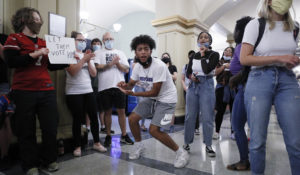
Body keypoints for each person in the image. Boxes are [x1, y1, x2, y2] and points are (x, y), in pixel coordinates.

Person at [3, 7, 67, 175]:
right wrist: (34, 54)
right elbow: (11, 62)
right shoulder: (14, 38)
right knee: (26, 130)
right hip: (23, 90)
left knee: (50, 127)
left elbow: (51, 65)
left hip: (46, 90)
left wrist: (68, 59)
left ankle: (49, 160)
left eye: (40, 19)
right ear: (24, 20)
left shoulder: (44, 42)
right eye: (36, 19)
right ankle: (29, 165)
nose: (40, 22)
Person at [240, 0, 300, 174]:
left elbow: (290, 57)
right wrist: (279, 58)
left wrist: (291, 61)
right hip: (259, 78)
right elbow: (245, 58)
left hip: (287, 79)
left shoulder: (294, 27)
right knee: (257, 141)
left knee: (295, 141)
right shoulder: (255, 24)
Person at [117, 35, 189, 168]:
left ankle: (181, 152)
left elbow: (155, 91)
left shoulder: (159, 66)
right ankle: (139, 146)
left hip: (167, 99)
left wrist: (134, 93)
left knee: (154, 130)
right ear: (136, 52)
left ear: (151, 51)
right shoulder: (138, 67)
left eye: (146, 49)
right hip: (152, 98)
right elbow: (131, 84)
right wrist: (124, 85)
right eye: (140, 49)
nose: (143, 51)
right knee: (132, 119)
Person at [65, 31, 107, 157]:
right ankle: (77, 146)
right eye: (80, 40)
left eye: (84, 40)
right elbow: (73, 71)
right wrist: (84, 59)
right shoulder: (68, 55)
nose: (83, 42)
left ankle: (96, 142)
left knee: (94, 117)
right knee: (77, 119)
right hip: (73, 92)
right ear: (73, 41)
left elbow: (93, 74)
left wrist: (88, 61)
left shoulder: (86, 55)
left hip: (88, 90)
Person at [94, 32, 134, 147]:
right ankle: (108, 135)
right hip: (104, 87)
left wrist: (117, 64)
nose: (109, 41)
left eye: (111, 39)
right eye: (106, 39)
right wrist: (110, 64)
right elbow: (97, 67)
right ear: (103, 41)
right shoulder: (98, 52)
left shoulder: (120, 53)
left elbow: (126, 69)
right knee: (107, 112)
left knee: (121, 111)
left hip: (119, 87)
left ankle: (124, 135)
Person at [183, 31, 219, 157]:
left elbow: (207, 69)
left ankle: (208, 145)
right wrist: (190, 76)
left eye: (206, 37)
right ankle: (187, 142)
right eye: (201, 37)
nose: (203, 39)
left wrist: (203, 55)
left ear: (210, 41)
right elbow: (188, 71)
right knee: (190, 116)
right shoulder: (194, 55)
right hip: (193, 86)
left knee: (207, 116)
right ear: (198, 41)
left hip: (206, 85)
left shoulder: (214, 54)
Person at [227, 16, 253, 171]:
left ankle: (244, 160)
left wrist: (236, 78)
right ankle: (250, 156)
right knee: (250, 125)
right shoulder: (244, 45)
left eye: (236, 29)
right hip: (244, 86)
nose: (234, 32)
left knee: (237, 125)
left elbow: (249, 67)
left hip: (245, 87)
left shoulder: (243, 45)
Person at [213, 47, 235, 140]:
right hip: (221, 89)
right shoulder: (219, 62)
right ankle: (217, 131)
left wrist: (232, 66)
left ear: (233, 54)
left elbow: (238, 73)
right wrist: (224, 66)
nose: (227, 52)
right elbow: (215, 72)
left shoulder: (235, 62)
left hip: (233, 88)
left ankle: (233, 132)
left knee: (233, 112)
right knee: (220, 111)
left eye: (230, 51)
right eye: (226, 50)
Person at [181, 50, 200, 135]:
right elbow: (182, 79)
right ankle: (188, 128)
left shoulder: (198, 67)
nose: (191, 57)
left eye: (193, 55)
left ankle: (196, 128)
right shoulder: (185, 66)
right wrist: (185, 88)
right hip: (186, 90)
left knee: (196, 109)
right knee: (188, 109)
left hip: (196, 89)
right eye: (190, 55)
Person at [161, 52, 177, 132]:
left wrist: (167, 70)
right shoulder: (160, 68)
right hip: (163, 90)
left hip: (171, 90)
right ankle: (164, 125)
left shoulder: (173, 67)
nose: (165, 58)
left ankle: (171, 125)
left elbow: (175, 77)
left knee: (171, 109)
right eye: (164, 57)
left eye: (167, 57)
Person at [132, 57, 147, 132]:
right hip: (139, 87)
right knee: (141, 104)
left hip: (146, 86)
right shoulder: (135, 64)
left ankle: (142, 124)